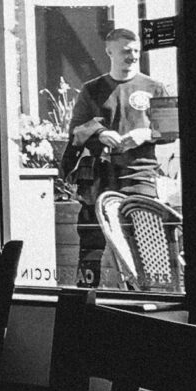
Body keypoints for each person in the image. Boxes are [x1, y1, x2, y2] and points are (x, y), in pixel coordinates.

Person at [64, 27, 170, 286]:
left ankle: (151, 296)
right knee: (90, 244)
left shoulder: (155, 87)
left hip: (140, 176)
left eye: (135, 51)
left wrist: (146, 134)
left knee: (147, 243)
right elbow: (75, 130)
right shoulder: (92, 89)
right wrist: (100, 133)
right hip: (99, 178)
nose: (132, 56)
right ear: (109, 51)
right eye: (125, 51)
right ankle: (86, 298)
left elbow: (172, 129)